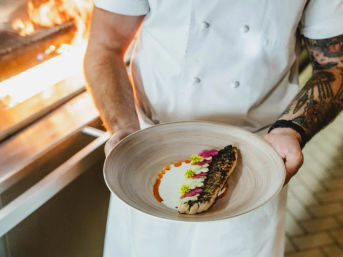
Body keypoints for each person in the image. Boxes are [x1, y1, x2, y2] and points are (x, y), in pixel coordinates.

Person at [84, 0, 343, 256]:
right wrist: (125, 129)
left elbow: (335, 66)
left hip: (256, 163)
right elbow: (105, 48)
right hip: (149, 156)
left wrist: (290, 130)